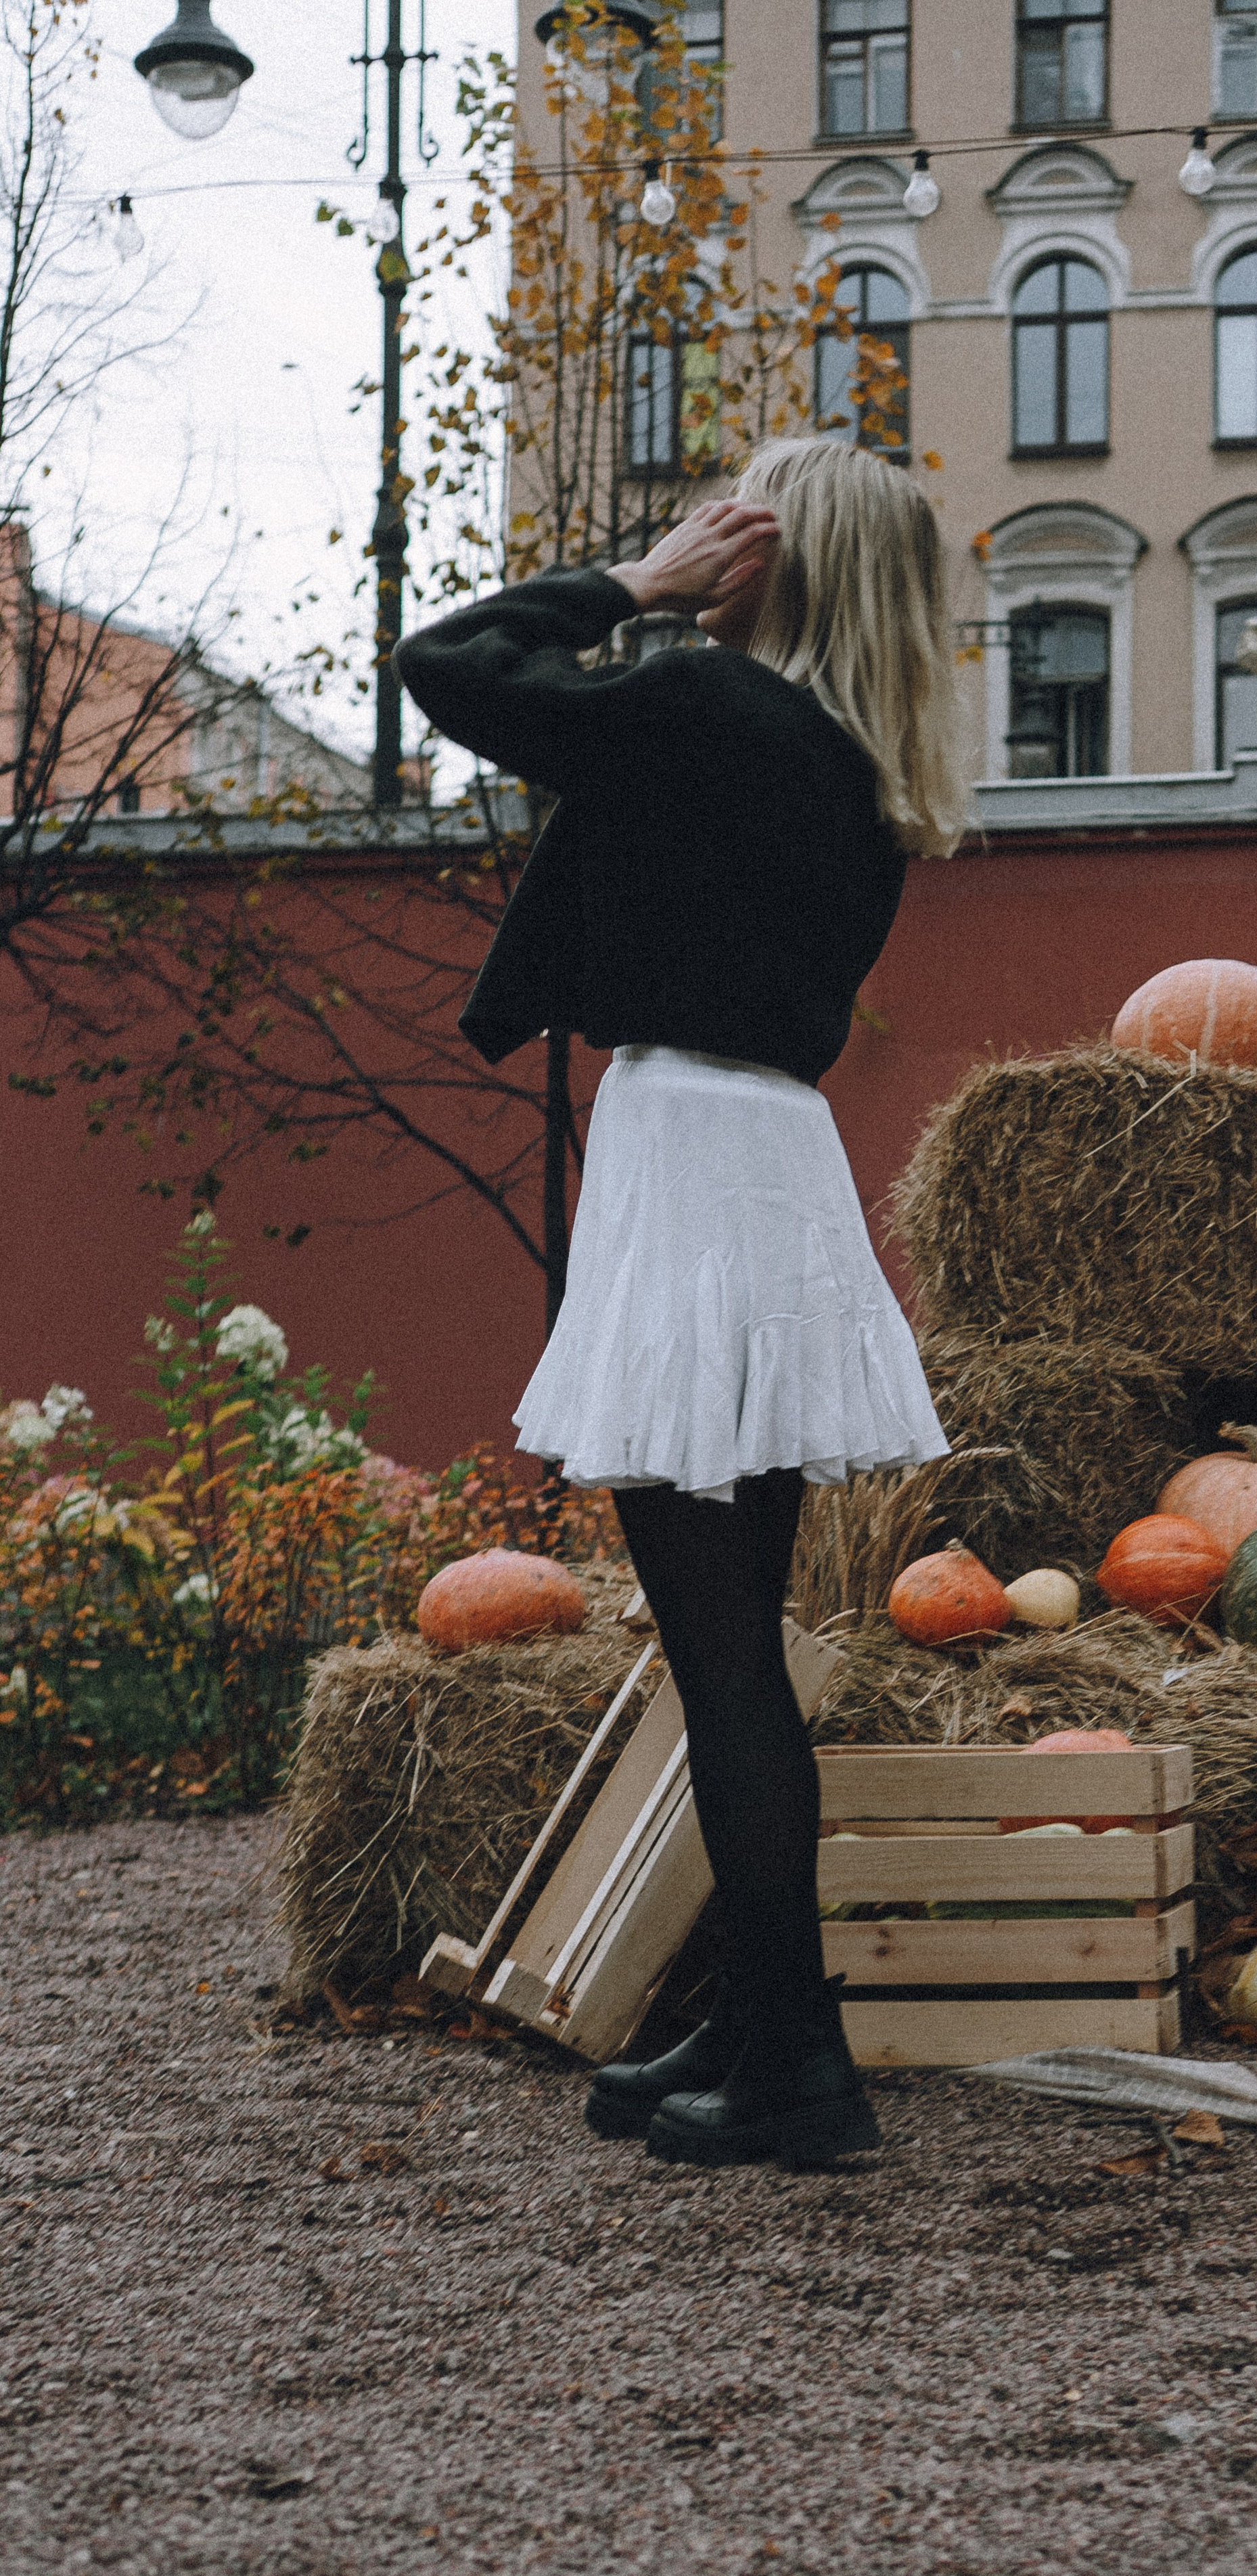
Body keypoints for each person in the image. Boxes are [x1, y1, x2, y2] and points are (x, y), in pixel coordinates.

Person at [394, 438, 967, 2169]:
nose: (708, 538)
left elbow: (447, 666)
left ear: (771, 559)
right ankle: (760, 2019)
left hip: (696, 1165)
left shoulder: (716, 714)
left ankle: (797, 2067)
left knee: (720, 1656)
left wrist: (632, 587)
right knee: (732, 1646)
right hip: (760, 1161)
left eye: (742, 515)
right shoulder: (840, 760)